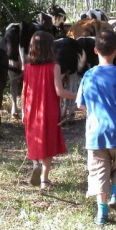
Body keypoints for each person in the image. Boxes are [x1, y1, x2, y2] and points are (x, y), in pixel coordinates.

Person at [76, 29, 116, 225]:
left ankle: (102, 213)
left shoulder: (88, 76)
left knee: (98, 172)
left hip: (96, 133)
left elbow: (80, 105)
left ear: (95, 50)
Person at [22, 31, 76, 191]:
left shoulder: (27, 67)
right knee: (48, 141)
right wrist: (79, 95)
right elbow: (59, 91)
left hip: (30, 108)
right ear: (49, 48)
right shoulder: (55, 67)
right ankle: (44, 179)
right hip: (49, 110)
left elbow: (24, 90)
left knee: (34, 139)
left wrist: (24, 111)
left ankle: (35, 164)